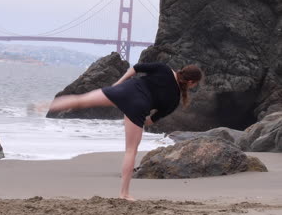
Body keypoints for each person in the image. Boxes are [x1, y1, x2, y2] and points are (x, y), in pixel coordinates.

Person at [48, 62, 203, 201]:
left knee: (81, 100)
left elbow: (135, 69)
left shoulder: (164, 68)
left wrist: (118, 83)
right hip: (138, 107)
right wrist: (138, 119)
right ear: (190, 82)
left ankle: (42, 106)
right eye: (194, 84)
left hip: (125, 90)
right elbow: (152, 119)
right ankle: (124, 193)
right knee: (131, 151)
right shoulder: (175, 99)